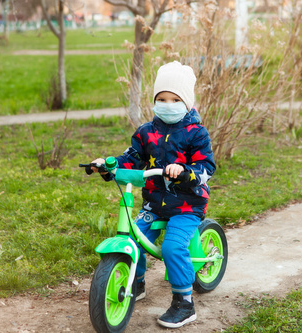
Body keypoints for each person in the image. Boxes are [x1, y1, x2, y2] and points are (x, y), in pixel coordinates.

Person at [91, 61, 216, 329]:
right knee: (134, 239)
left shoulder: (196, 133)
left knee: (172, 246)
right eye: (162, 98)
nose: (167, 104)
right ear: (155, 100)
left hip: (186, 204)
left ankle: (184, 302)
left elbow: (206, 167)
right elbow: (131, 158)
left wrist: (184, 172)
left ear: (186, 102)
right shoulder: (146, 132)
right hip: (155, 203)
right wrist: (108, 166)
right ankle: (135, 282)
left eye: (174, 99)